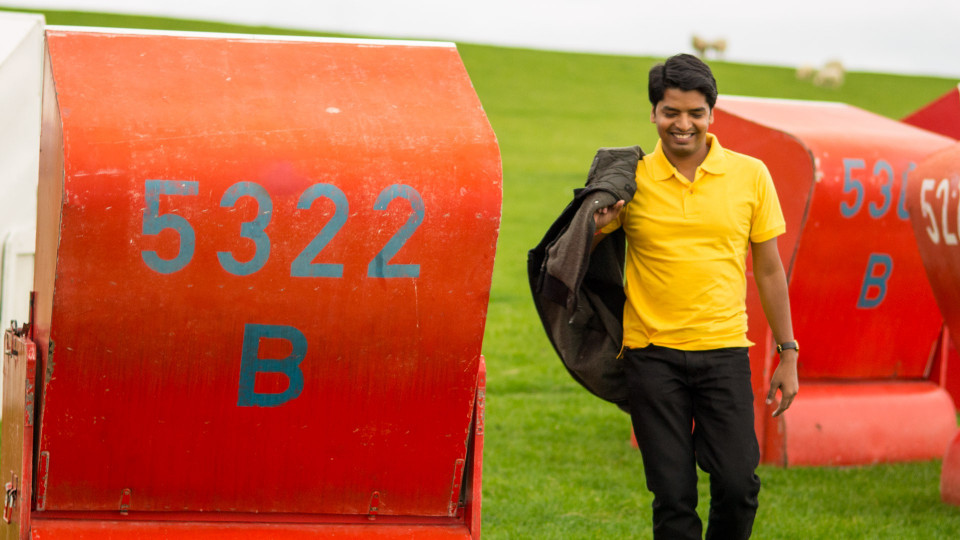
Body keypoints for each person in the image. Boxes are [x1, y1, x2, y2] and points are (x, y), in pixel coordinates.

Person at [592, 53, 799, 539]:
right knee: (673, 496)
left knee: (737, 483)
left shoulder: (751, 175)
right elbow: (582, 256)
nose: (682, 125)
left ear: (712, 113)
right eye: (670, 112)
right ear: (653, 113)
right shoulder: (632, 180)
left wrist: (788, 352)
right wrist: (596, 229)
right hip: (651, 357)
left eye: (695, 113)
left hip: (724, 353)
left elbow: (769, 269)